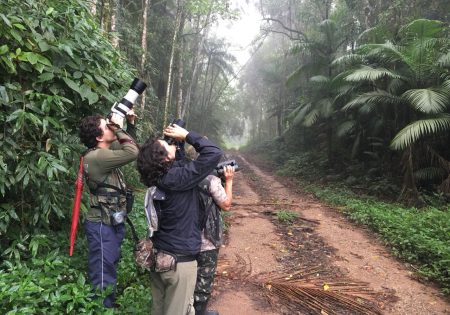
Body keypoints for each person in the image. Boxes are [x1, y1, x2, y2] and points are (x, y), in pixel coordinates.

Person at [137, 123, 222, 315]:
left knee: (159, 309)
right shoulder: (177, 178)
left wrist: (178, 145)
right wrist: (187, 135)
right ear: (166, 158)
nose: (173, 146)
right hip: (180, 264)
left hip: (161, 256)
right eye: (168, 145)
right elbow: (213, 153)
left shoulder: (162, 176)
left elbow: (182, 164)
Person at [78, 111, 138, 308]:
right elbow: (132, 152)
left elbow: (129, 145)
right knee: (103, 271)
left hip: (109, 222)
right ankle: (102, 308)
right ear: (98, 136)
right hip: (102, 225)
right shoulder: (99, 156)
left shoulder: (102, 152)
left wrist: (129, 126)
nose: (111, 126)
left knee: (108, 264)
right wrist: (119, 129)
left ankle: (106, 304)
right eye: (107, 126)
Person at [194, 165, 235, 315]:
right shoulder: (210, 180)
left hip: (183, 239)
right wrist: (229, 181)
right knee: (203, 280)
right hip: (206, 240)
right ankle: (199, 312)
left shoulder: (179, 176)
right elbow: (226, 205)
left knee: (186, 279)